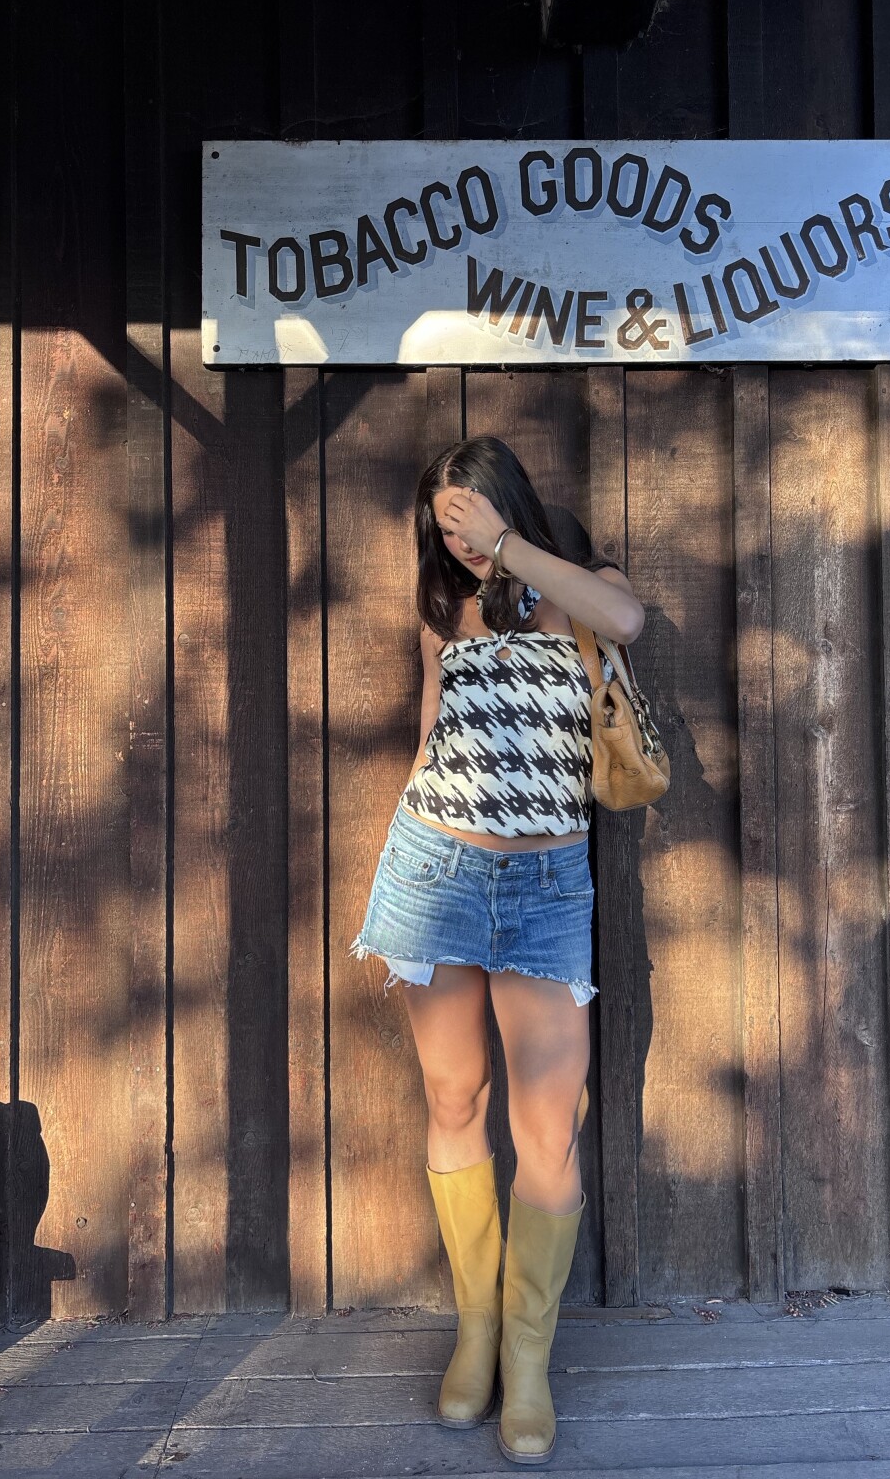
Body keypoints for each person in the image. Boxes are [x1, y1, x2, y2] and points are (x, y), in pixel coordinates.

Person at [348, 434, 645, 1465]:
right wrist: (404, 842)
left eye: (470, 518)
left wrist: (510, 547)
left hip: (546, 887)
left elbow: (629, 623)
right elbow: (430, 739)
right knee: (454, 1099)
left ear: (504, 503)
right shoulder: (445, 613)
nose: (462, 542)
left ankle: (528, 1359)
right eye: (446, 528)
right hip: (436, 872)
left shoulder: (579, 589)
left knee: (549, 1130)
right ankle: (475, 1334)